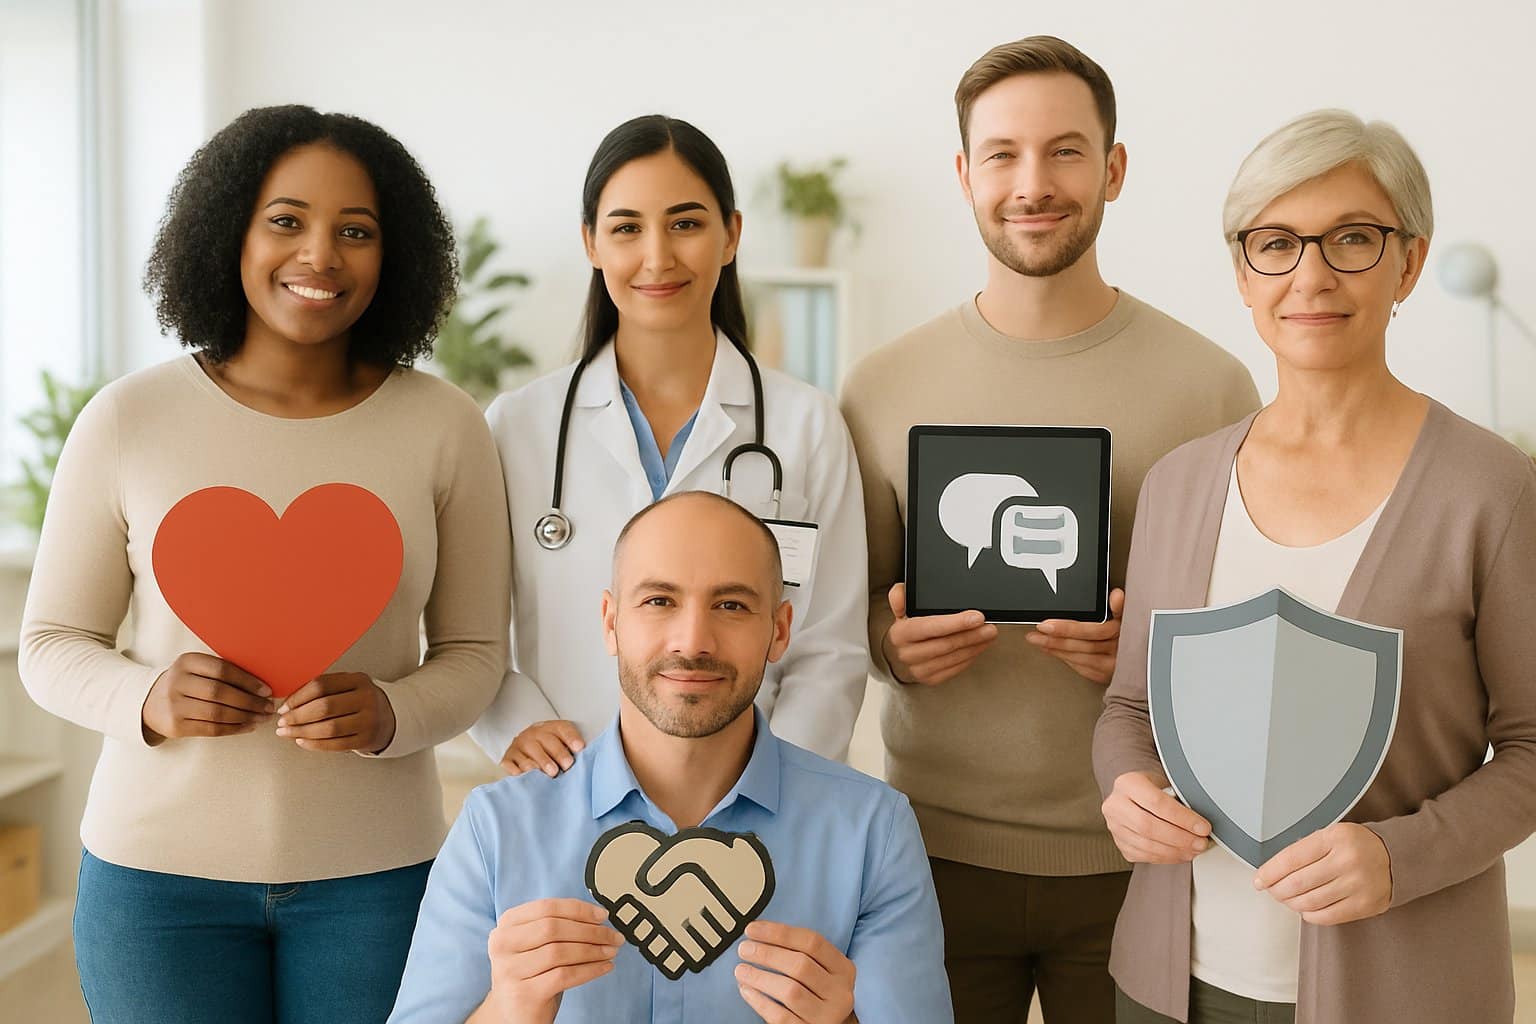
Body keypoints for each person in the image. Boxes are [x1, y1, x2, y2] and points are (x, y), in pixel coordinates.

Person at [18, 105, 511, 1024]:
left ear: (392, 255)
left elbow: (478, 653)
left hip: (378, 882)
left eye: (355, 231)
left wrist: (392, 712)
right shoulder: (128, 420)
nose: (319, 255)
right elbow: (51, 643)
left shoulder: (446, 426)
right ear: (228, 233)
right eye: (286, 220)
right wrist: (147, 699)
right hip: (155, 888)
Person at [839, 36, 1261, 1023]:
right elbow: (842, 615)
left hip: (1144, 854)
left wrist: (1151, 658)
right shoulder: (879, 386)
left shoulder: (1212, 388)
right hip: (927, 855)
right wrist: (892, 646)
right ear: (964, 174)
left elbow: (1250, 634)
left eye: (1066, 151)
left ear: (1114, 167)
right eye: (1003, 154)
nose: (1034, 183)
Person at [1096, 109, 1536, 1023]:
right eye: (1276, 243)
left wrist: (1399, 855)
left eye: (1353, 239)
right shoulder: (1181, 484)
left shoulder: (1493, 492)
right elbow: (1129, 708)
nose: (1311, 275)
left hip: (1405, 991)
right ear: (1241, 272)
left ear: (1409, 261)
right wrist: (1126, 788)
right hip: (1170, 986)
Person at [389, 490, 951, 1023]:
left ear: (779, 632)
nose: (692, 640)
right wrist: (508, 1012)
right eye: (659, 601)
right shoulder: (496, 829)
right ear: (611, 623)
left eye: (731, 605)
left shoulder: (874, 830)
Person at [468, 115, 867, 777]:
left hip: (755, 800)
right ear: (591, 242)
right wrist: (515, 723)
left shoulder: (806, 425)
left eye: (685, 223)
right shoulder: (520, 425)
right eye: (626, 228)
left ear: (731, 235)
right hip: (568, 786)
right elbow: (470, 637)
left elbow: (830, 647)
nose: (657, 257)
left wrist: (781, 784)